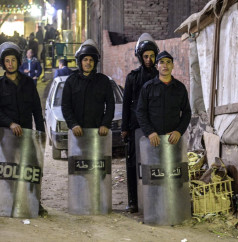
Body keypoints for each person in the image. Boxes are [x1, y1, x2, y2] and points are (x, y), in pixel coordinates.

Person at [0, 42, 46, 216]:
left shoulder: (28, 83)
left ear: (18, 62)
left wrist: (41, 134)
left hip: (27, 136)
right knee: (8, 171)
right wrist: (10, 123)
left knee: (31, 170)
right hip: (6, 138)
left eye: (13, 60)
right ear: (3, 63)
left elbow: (36, 109)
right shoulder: (0, 85)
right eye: (7, 61)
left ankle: (35, 203)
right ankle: (7, 203)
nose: (10, 64)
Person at [121, 33, 159, 213]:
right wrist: (124, 128)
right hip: (136, 127)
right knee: (133, 164)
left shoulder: (161, 76)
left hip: (156, 127)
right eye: (146, 56)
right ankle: (133, 200)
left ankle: (155, 199)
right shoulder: (132, 77)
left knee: (154, 163)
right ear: (140, 57)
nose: (149, 59)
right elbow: (127, 103)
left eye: (152, 56)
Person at [136, 51, 191, 147]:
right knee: (154, 162)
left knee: (173, 162)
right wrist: (150, 132)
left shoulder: (179, 88)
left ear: (173, 66)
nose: (165, 65)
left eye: (168, 62)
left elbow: (187, 112)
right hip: (153, 140)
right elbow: (140, 112)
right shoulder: (148, 87)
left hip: (173, 140)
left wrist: (179, 131)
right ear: (157, 66)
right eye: (161, 62)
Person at [61, 39, 115, 137]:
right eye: (85, 59)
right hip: (77, 132)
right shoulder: (71, 81)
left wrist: (105, 124)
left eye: (91, 60)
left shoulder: (103, 81)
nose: (88, 63)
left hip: (98, 132)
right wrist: (73, 124)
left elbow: (110, 105)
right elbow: (65, 106)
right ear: (80, 62)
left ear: (95, 63)